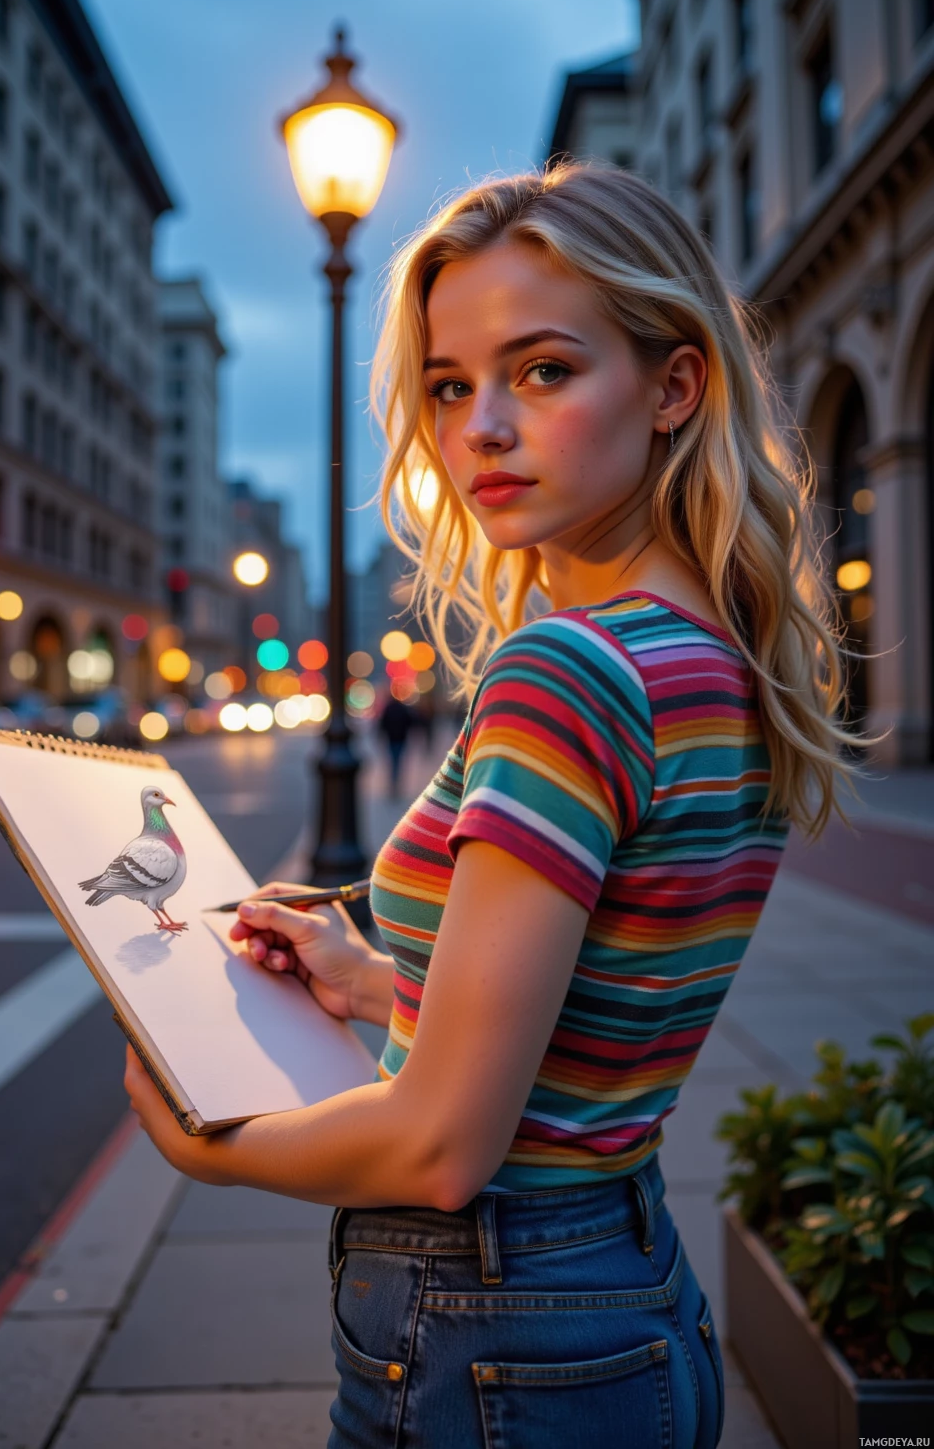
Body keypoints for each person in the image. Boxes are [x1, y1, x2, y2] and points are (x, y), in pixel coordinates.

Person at [124, 163, 857, 1448]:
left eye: (544, 370)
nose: (481, 429)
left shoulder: (571, 667)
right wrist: (368, 981)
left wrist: (211, 1151)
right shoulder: (718, 659)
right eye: (451, 386)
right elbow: (596, 1019)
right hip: (626, 1291)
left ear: (675, 384)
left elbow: (439, 1148)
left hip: (488, 1320)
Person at [376, 687, 415, 796]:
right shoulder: (403, 708)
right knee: (398, 762)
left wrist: (381, 735)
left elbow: (382, 724)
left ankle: (393, 783)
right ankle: (396, 783)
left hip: (392, 739)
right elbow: (410, 722)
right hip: (401, 739)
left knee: (393, 762)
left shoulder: (388, 708)